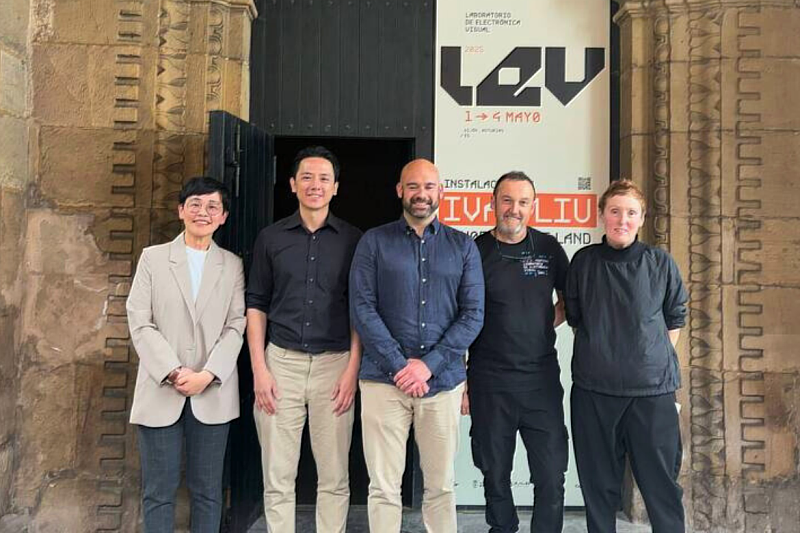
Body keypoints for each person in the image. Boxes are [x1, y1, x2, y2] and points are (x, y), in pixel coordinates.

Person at [349, 158, 485, 532]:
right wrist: (399, 365)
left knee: (440, 487)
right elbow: (362, 308)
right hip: (382, 381)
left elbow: (473, 314)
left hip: (441, 384)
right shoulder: (373, 242)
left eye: (428, 187)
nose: (421, 194)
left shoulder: (463, 247)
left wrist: (428, 365)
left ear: (441, 192)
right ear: (400, 191)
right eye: (413, 186)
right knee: (383, 487)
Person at [246, 146, 362, 533]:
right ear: (293, 184)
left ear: (336, 187)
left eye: (324, 178)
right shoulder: (271, 238)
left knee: (334, 475)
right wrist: (260, 370)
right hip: (281, 364)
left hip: (335, 365)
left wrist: (352, 370)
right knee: (277, 475)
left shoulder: (354, 240)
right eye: (307, 177)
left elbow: (361, 310)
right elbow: (257, 305)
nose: (315, 185)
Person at [564, 179, 688, 533]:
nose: (623, 220)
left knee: (661, 487)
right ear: (601, 215)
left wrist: (648, 359)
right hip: (594, 392)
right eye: (615, 211)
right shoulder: (583, 262)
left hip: (651, 394)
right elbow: (577, 318)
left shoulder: (660, 263)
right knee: (598, 488)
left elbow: (674, 320)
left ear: (642, 218)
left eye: (631, 213)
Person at [127, 177, 245, 533]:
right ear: (181, 211)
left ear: (223, 216)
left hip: (213, 392)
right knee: (158, 491)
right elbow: (139, 320)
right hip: (161, 388)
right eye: (195, 204)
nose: (203, 212)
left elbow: (236, 324)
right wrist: (174, 371)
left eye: (212, 206)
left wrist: (207, 374)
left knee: (208, 492)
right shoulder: (154, 258)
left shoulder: (232, 264)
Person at [465, 171, 570, 532]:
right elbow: (460, 315)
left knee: (552, 473)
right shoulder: (474, 251)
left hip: (540, 380)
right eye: (507, 200)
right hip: (488, 380)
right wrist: (462, 381)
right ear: (492, 203)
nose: (514, 209)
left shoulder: (549, 249)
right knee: (494, 473)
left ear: (533, 207)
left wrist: (541, 324)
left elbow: (569, 301)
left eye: (523, 202)